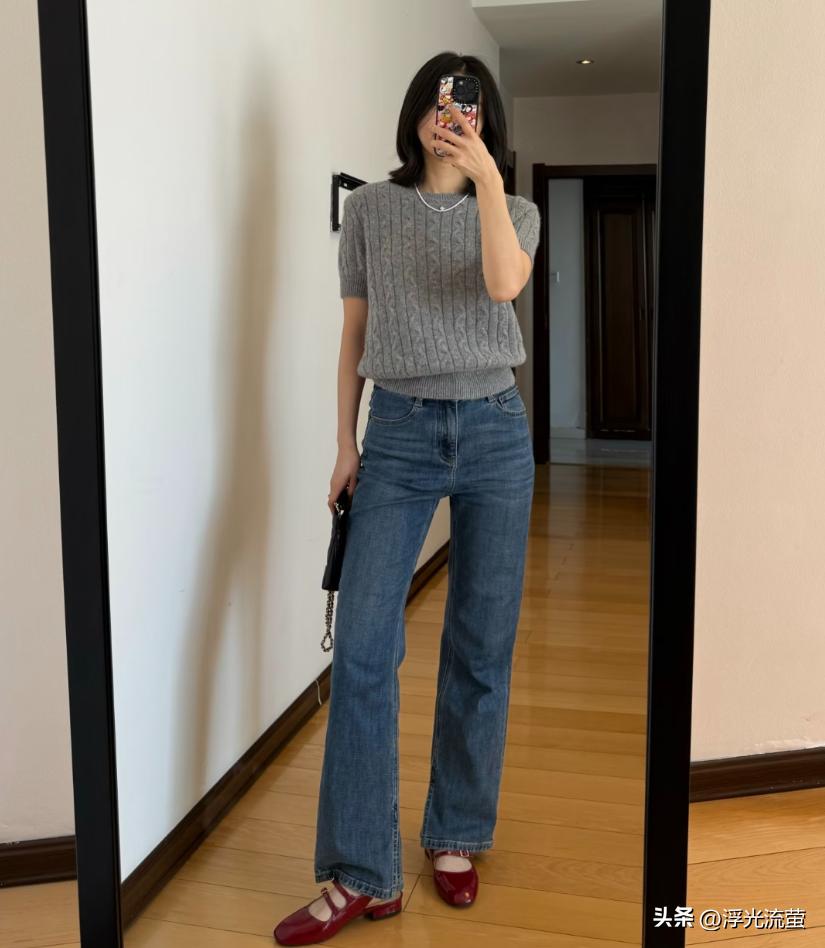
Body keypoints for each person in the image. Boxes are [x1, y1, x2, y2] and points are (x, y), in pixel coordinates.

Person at [273, 50, 540, 946]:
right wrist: (344, 442)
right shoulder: (370, 210)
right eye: (434, 101)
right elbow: (353, 330)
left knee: (480, 646)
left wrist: (488, 179)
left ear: (485, 119)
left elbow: (502, 284)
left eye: (465, 105)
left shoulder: (518, 211)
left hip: (495, 430)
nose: (446, 116)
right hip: (397, 431)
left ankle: (455, 833)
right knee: (361, 649)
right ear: (413, 113)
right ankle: (362, 872)